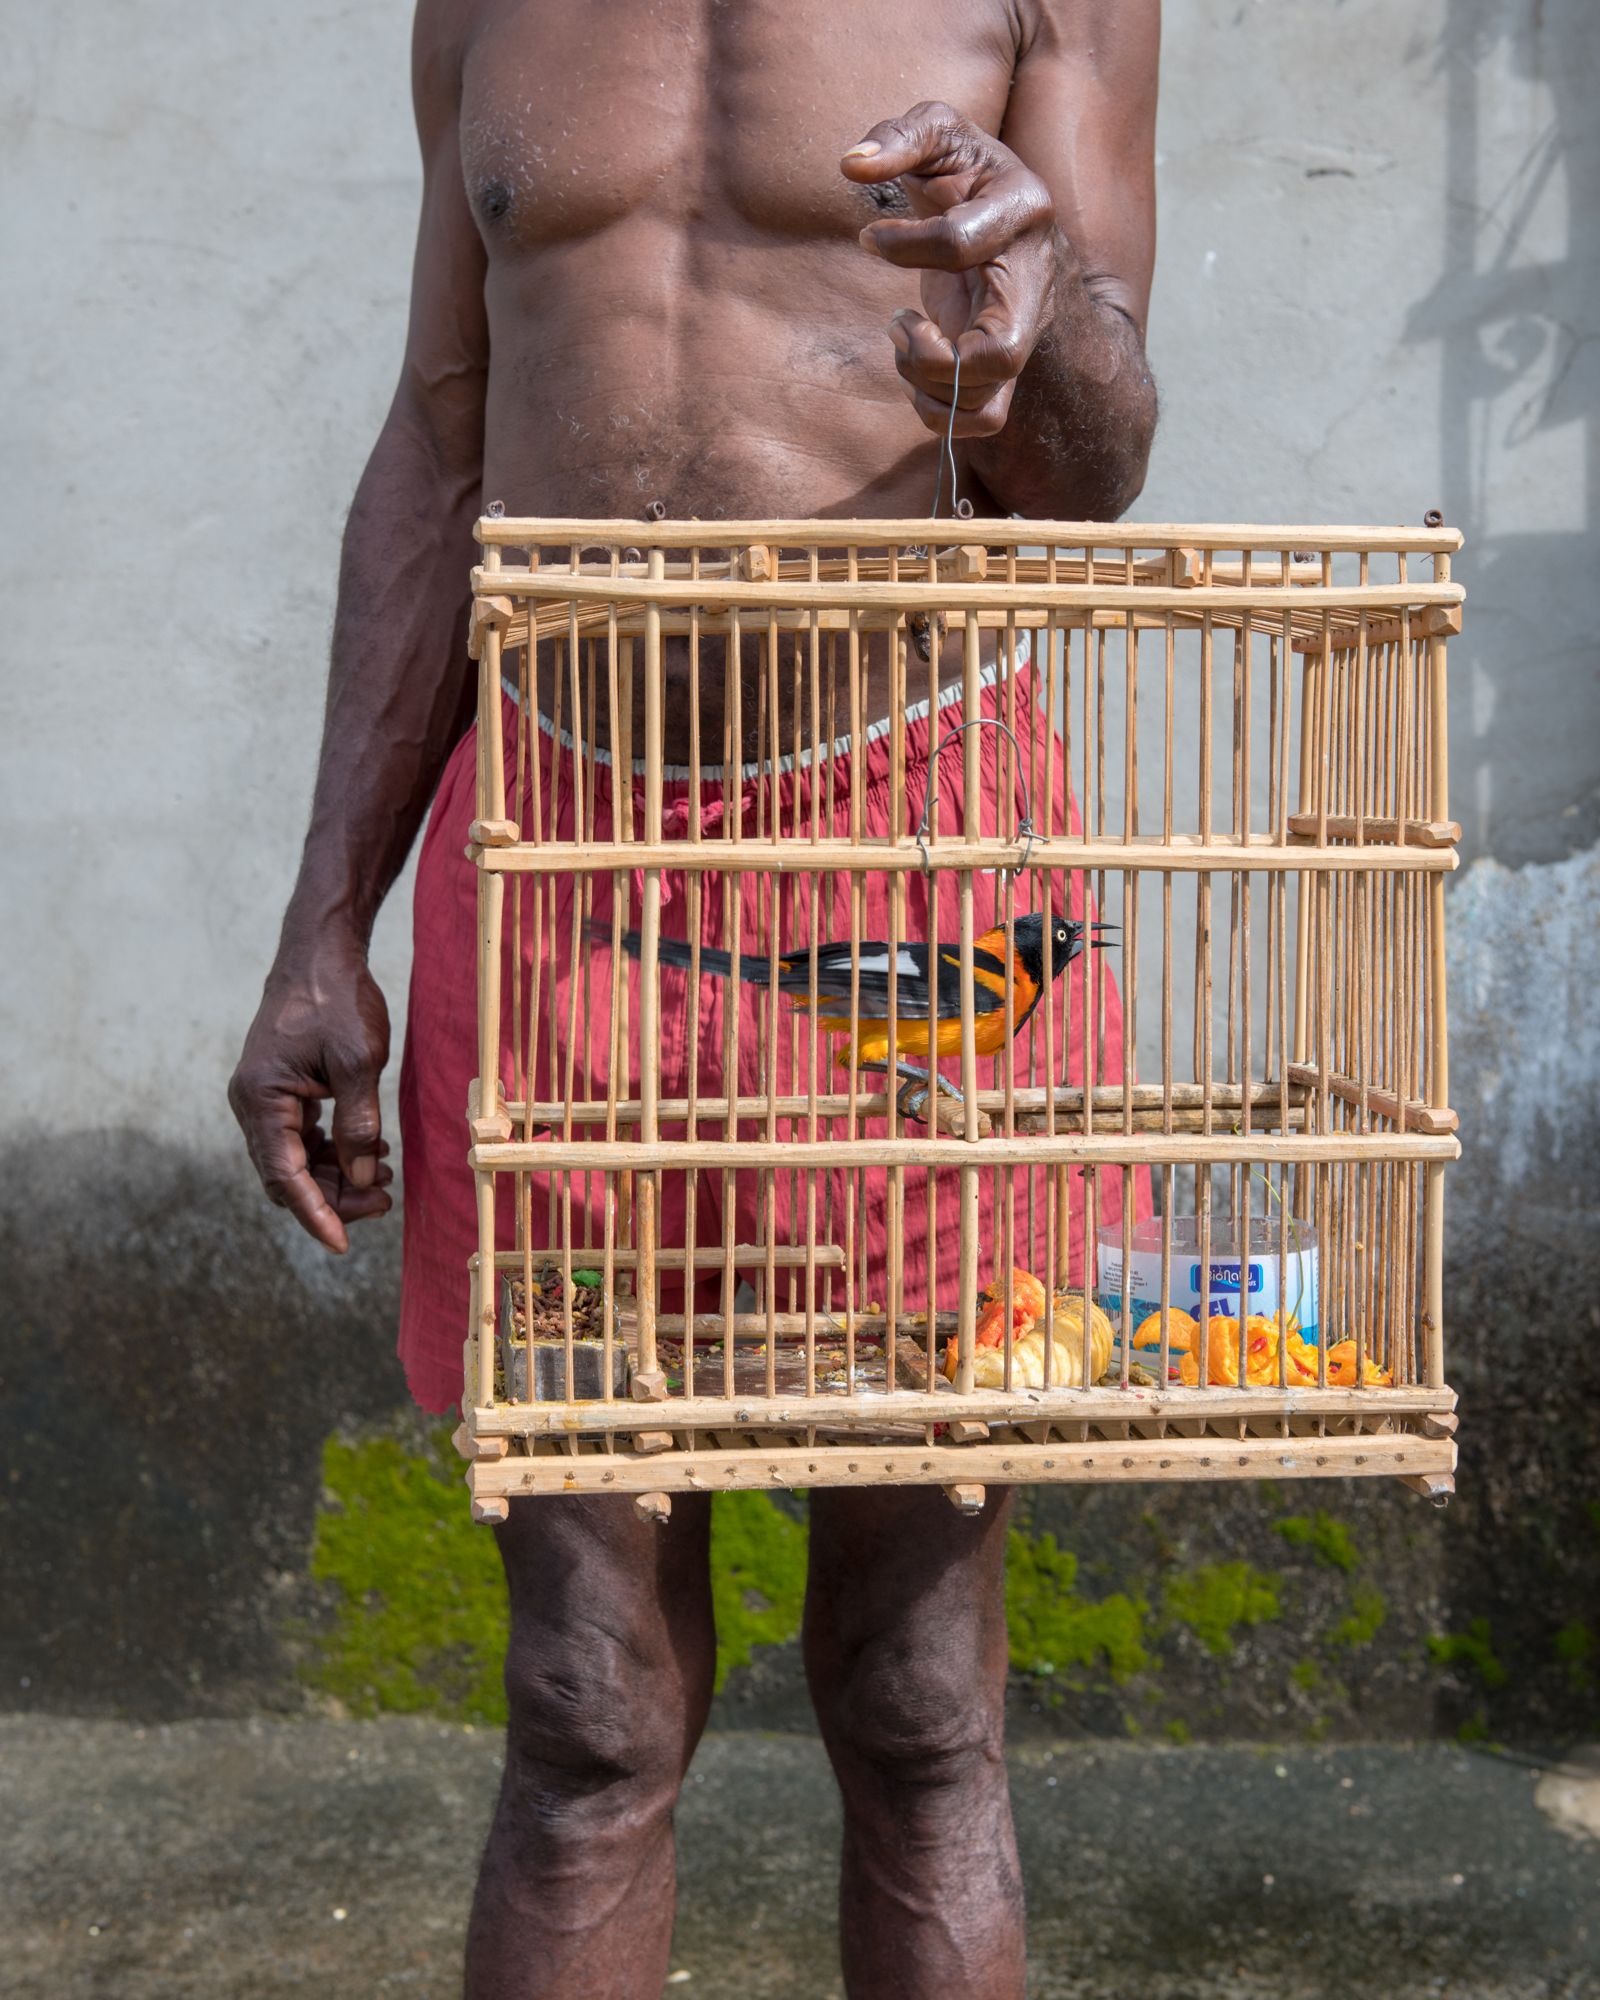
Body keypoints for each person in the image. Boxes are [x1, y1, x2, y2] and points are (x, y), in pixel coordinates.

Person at [230, 3, 1158, 1993]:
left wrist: (1035, 294)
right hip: (560, 862)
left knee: (916, 1706)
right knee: (583, 1713)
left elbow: (1088, 468)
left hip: (917, 874)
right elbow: (441, 440)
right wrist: (326, 921)